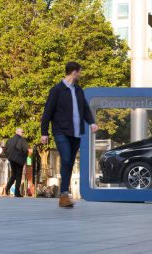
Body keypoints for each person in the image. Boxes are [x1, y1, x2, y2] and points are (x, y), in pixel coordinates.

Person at [41, 62, 98, 208]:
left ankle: (64, 195)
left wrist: (91, 122)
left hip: (76, 132)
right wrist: (44, 132)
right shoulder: (57, 90)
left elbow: (85, 109)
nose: (81, 74)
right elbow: (47, 112)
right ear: (74, 72)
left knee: (70, 162)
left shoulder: (78, 90)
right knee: (66, 159)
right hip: (60, 131)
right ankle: (64, 193)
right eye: (80, 72)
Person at [5, 128, 29, 197]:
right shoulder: (22, 140)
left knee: (14, 174)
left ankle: (7, 187)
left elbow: (5, 150)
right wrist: (23, 159)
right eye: (22, 132)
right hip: (19, 161)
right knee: (18, 176)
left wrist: (9, 157)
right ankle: (17, 193)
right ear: (19, 132)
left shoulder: (9, 140)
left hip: (12, 160)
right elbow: (26, 150)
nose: (23, 133)